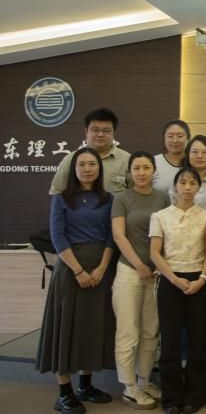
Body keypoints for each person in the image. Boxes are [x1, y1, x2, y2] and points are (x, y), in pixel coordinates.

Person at [37, 147, 116, 414]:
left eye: (92, 164)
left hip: (100, 269)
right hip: (70, 271)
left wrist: (102, 268)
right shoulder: (61, 199)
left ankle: (85, 386)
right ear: (73, 168)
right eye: (81, 164)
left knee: (90, 328)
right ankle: (64, 393)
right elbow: (58, 237)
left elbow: (111, 237)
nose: (87, 169)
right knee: (66, 329)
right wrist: (79, 271)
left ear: (99, 168)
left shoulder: (108, 199)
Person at [150, 167, 206, 414]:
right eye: (183, 182)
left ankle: (195, 395)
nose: (187, 187)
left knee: (198, 340)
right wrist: (174, 279)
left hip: (199, 280)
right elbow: (155, 253)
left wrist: (202, 278)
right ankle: (172, 398)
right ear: (175, 186)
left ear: (199, 187)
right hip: (170, 280)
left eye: (192, 183)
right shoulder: (160, 216)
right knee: (170, 341)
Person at [111, 151, 170, 409]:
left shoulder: (163, 197)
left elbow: (167, 233)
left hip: (156, 274)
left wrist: (157, 266)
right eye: (137, 168)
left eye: (146, 167)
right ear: (130, 171)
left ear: (153, 170)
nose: (142, 172)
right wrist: (139, 265)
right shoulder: (121, 199)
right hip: (129, 272)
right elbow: (119, 236)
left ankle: (144, 381)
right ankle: (129, 387)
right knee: (128, 332)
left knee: (150, 332)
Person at [50, 107, 130, 195]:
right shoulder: (70, 159)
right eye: (95, 130)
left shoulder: (127, 160)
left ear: (113, 132)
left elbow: (135, 194)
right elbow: (57, 193)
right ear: (86, 132)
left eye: (106, 131)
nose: (100, 134)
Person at [169, 135, 206, 211]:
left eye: (205, 152)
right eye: (195, 152)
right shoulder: (179, 180)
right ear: (188, 154)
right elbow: (172, 211)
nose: (200, 156)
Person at [152, 120, 191, 194]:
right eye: (170, 136)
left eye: (180, 136)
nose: (175, 140)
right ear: (164, 138)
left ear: (188, 138)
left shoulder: (194, 162)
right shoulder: (153, 162)